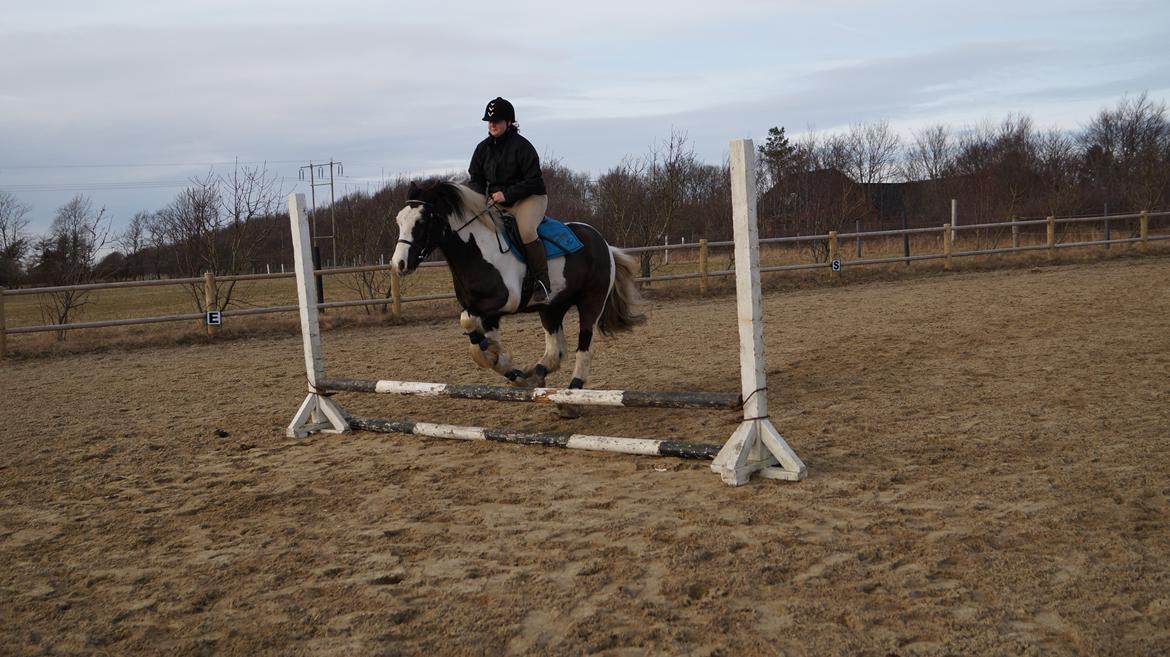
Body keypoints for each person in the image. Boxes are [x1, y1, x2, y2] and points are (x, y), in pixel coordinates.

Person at [468, 97, 551, 305]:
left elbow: (534, 181)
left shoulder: (522, 147)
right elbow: (476, 180)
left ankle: (542, 282)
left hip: (530, 198)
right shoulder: (481, 149)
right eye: (489, 121)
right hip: (497, 202)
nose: (492, 124)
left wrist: (507, 194)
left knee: (526, 231)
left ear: (509, 122)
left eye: (496, 120)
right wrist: (481, 198)